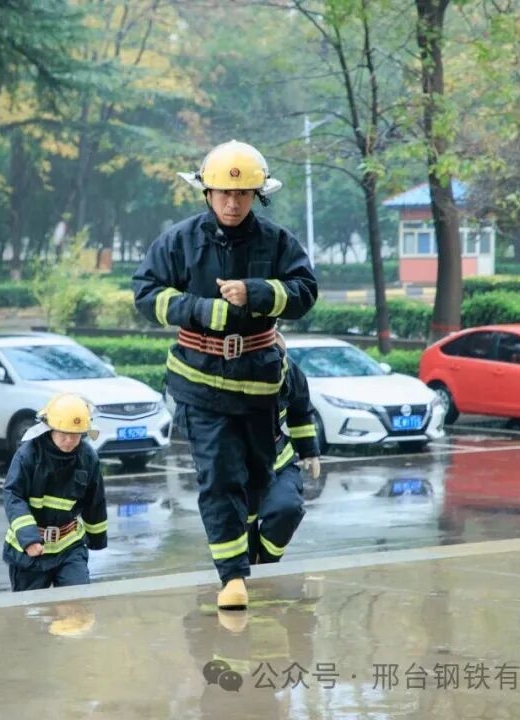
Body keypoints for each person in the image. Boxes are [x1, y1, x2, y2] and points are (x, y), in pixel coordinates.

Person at [133, 140, 318, 611]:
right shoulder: (179, 241)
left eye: (242, 194)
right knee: (218, 477)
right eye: (223, 193)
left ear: (258, 195)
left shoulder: (277, 242)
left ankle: (254, 559)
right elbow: (145, 293)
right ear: (207, 193)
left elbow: (305, 291)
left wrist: (257, 292)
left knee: (255, 480)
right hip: (199, 384)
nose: (232, 203)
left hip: (258, 384)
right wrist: (199, 310)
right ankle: (232, 577)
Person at [1, 393, 108, 591]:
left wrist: (97, 539)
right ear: (50, 428)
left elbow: (95, 501)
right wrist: (29, 538)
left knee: (77, 603)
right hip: (30, 549)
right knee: (31, 608)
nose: (70, 440)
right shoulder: (28, 454)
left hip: (69, 545)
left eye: (76, 435)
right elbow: (13, 495)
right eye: (63, 434)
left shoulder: (88, 457)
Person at [248, 337, 320, 565]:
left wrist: (309, 451)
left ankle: (266, 562)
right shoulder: (218, 364)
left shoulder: (285, 365)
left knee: (287, 508)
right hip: (234, 466)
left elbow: (300, 409)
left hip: (277, 460)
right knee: (241, 536)